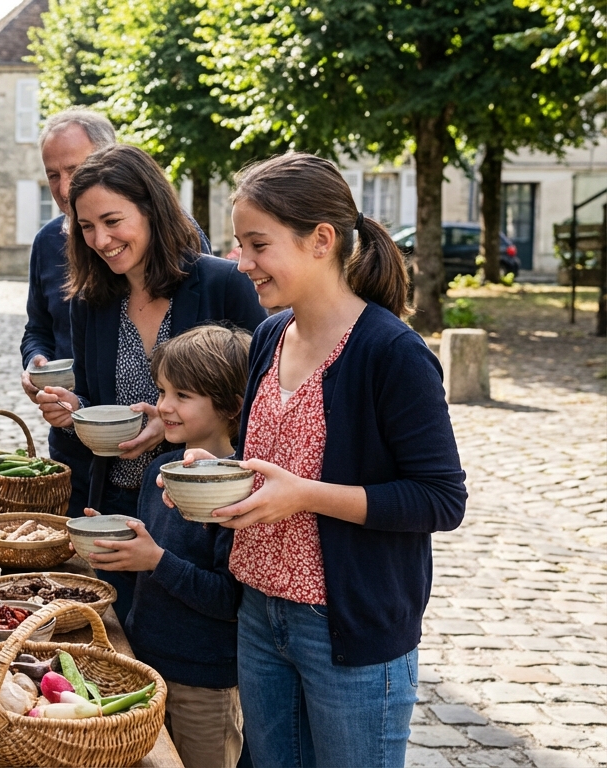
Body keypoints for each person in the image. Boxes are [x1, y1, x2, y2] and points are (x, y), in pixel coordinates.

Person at [164, 152, 466, 767]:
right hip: (260, 614)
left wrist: (305, 495)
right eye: (239, 245)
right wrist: (216, 474)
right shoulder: (271, 335)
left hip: (346, 629)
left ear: (321, 240)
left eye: (257, 244)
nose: (241, 262)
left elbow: (441, 499)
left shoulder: (392, 353)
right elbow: (269, 462)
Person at [34, 144, 264, 621]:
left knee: (187, 663)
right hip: (116, 504)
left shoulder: (225, 284)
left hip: (199, 517)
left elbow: (257, 405)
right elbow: (100, 399)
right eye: (86, 227)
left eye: (113, 221)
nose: (100, 239)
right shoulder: (90, 300)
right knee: (120, 646)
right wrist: (74, 407)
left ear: (152, 209)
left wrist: (173, 425)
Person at [20, 109, 211, 517]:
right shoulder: (82, 283)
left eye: (75, 168)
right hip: (91, 457)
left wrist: (173, 419)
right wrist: (44, 372)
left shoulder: (195, 254)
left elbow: (230, 375)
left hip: (186, 480)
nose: (65, 186)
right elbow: (37, 327)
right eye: (52, 174)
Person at [86, 324, 250, 768]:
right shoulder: (161, 466)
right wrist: (114, 549)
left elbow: (229, 598)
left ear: (231, 406)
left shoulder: (239, 490)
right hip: (146, 665)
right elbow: (149, 569)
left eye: (183, 395)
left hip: (205, 683)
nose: (164, 407)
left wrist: (155, 560)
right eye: (162, 391)